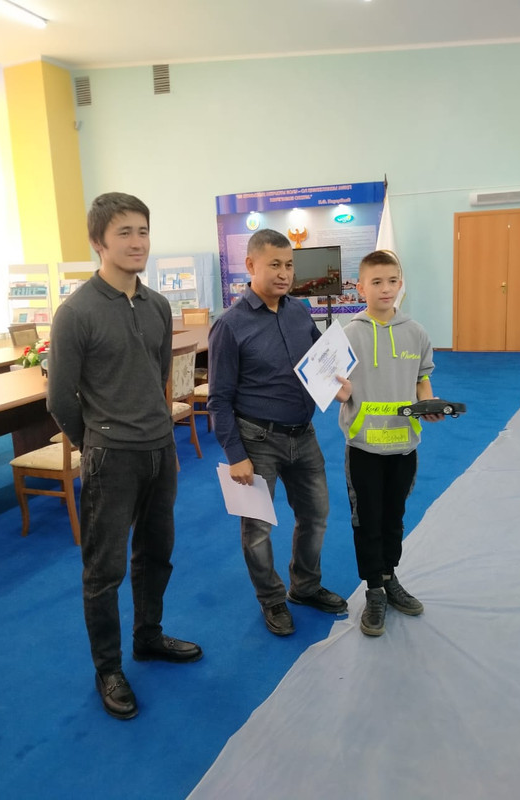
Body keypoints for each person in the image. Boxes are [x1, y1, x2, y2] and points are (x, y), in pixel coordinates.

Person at [47, 192, 202, 720]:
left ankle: (148, 636)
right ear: (99, 242)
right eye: (124, 233)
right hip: (110, 458)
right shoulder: (76, 313)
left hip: (160, 449)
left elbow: (157, 378)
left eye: (143, 231)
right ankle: (108, 668)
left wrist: (157, 434)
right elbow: (59, 398)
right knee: (104, 569)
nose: (137, 242)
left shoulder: (157, 305)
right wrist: (96, 443)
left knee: (157, 553)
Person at [207, 228, 348, 636]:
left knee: (316, 516)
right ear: (251, 265)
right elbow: (218, 399)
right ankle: (271, 599)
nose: (285, 273)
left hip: (303, 434)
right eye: (275, 265)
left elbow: (321, 360)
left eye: (289, 265)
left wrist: (340, 383)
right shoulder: (229, 326)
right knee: (257, 530)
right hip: (257, 441)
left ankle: (305, 587)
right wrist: (236, 455)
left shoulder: (298, 310)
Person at [337, 250, 443, 637]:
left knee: (393, 518)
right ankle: (374, 590)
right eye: (376, 282)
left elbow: (422, 379)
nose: (386, 289)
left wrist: (428, 403)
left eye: (392, 281)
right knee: (367, 520)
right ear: (360, 287)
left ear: (401, 284)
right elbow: (331, 384)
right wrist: (338, 391)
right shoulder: (347, 335)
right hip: (364, 449)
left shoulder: (416, 332)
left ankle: (389, 576)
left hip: (404, 448)